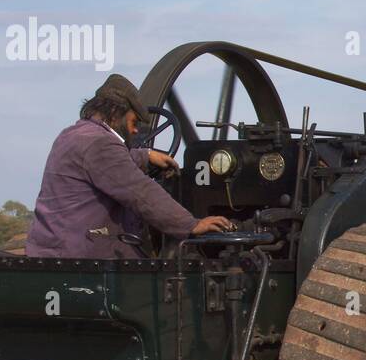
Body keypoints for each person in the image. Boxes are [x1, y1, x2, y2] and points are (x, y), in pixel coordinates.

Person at [26, 75, 232, 258]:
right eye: (134, 122)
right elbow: (140, 192)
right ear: (116, 113)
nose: (135, 131)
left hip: (50, 249)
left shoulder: (72, 135)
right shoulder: (101, 144)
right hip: (81, 255)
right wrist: (191, 224)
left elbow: (106, 166)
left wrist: (145, 156)